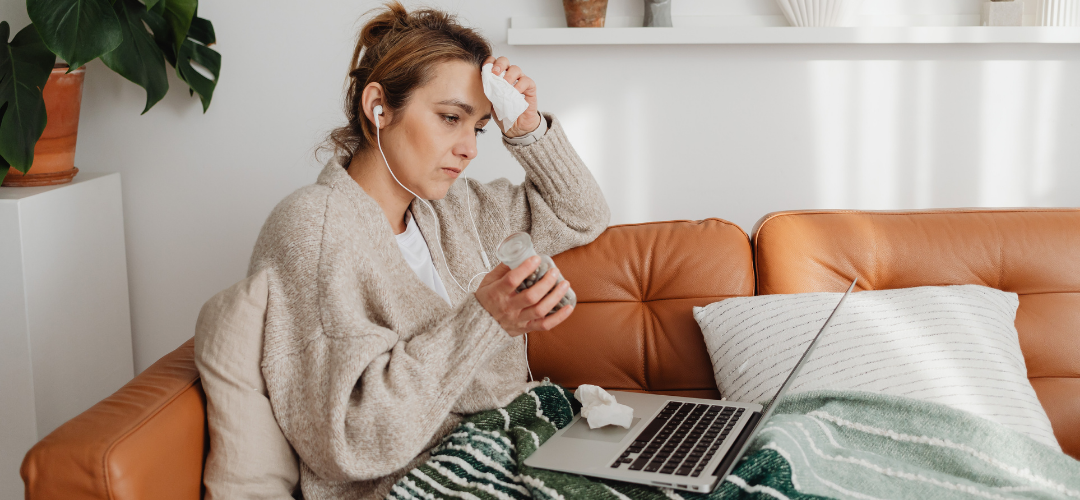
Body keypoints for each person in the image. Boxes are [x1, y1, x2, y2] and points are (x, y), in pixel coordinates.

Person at [247, 2, 610, 498]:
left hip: (512, 441)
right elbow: (350, 437)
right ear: (379, 107)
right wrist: (485, 318)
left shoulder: (453, 208)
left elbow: (580, 213)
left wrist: (524, 126)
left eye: (478, 126)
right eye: (450, 118)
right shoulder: (313, 229)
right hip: (422, 480)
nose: (470, 148)